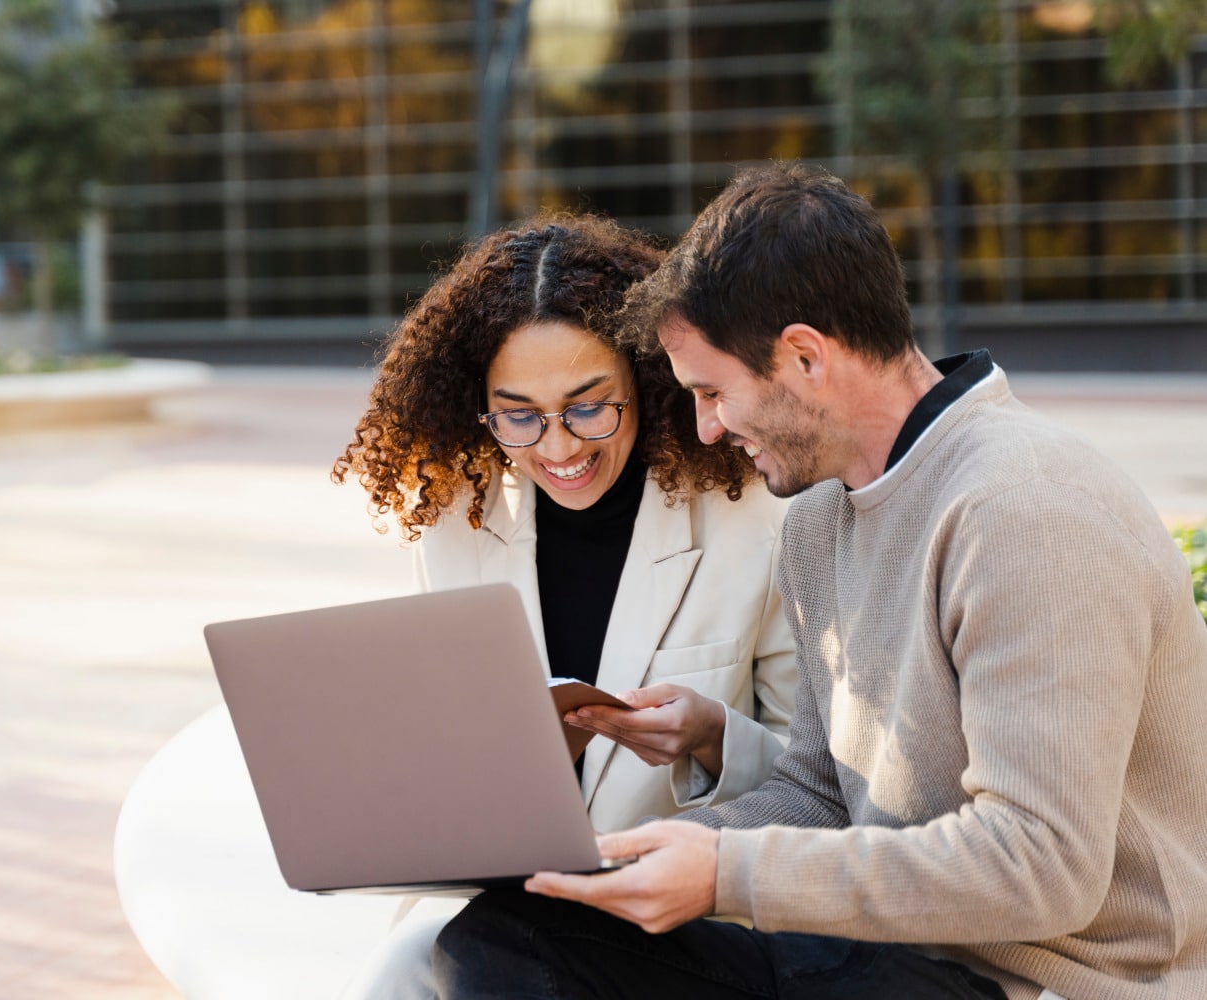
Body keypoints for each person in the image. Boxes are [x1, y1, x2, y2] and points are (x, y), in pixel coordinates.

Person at [430, 163, 1207, 1000]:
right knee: (514, 936)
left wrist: (729, 869)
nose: (706, 427)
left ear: (805, 356)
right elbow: (817, 795)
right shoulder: (817, 522)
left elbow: (1042, 869)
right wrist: (623, 860)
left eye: (714, 391)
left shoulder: (1030, 509)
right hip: (876, 960)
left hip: (1047, 980)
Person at [331, 214, 799, 999]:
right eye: (518, 415)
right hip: (490, 908)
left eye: (590, 406)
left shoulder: (755, 518)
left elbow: (818, 776)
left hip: (674, 924)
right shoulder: (456, 521)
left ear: (649, 383)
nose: (558, 448)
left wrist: (713, 738)